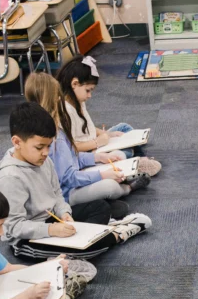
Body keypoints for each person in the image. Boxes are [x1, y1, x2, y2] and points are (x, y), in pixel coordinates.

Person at [0, 102, 151, 261]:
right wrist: (51, 230)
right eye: (40, 147)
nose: (46, 153)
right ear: (17, 142)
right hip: (26, 239)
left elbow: (56, 193)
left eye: (48, 146)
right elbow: (13, 227)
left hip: (53, 220)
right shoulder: (10, 178)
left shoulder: (43, 160)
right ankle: (117, 234)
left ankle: (102, 233)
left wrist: (65, 212)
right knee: (88, 248)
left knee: (100, 207)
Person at [24, 72, 149, 211]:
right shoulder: (50, 138)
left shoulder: (57, 128)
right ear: (51, 100)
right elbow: (69, 178)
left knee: (116, 158)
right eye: (57, 96)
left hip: (79, 173)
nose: (60, 99)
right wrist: (101, 175)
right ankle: (127, 188)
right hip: (68, 193)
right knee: (110, 186)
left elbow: (73, 155)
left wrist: (98, 157)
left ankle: (107, 197)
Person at [55, 55, 162, 175]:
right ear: (74, 83)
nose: (89, 95)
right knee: (118, 153)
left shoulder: (78, 100)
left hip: (95, 142)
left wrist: (107, 134)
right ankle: (135, 162)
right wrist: (98, 142)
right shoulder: (64, 111)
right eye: (88, 90)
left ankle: (137, 159)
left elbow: (87, 128)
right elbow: (72, 147)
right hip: (86, 152)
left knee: (124, 128)